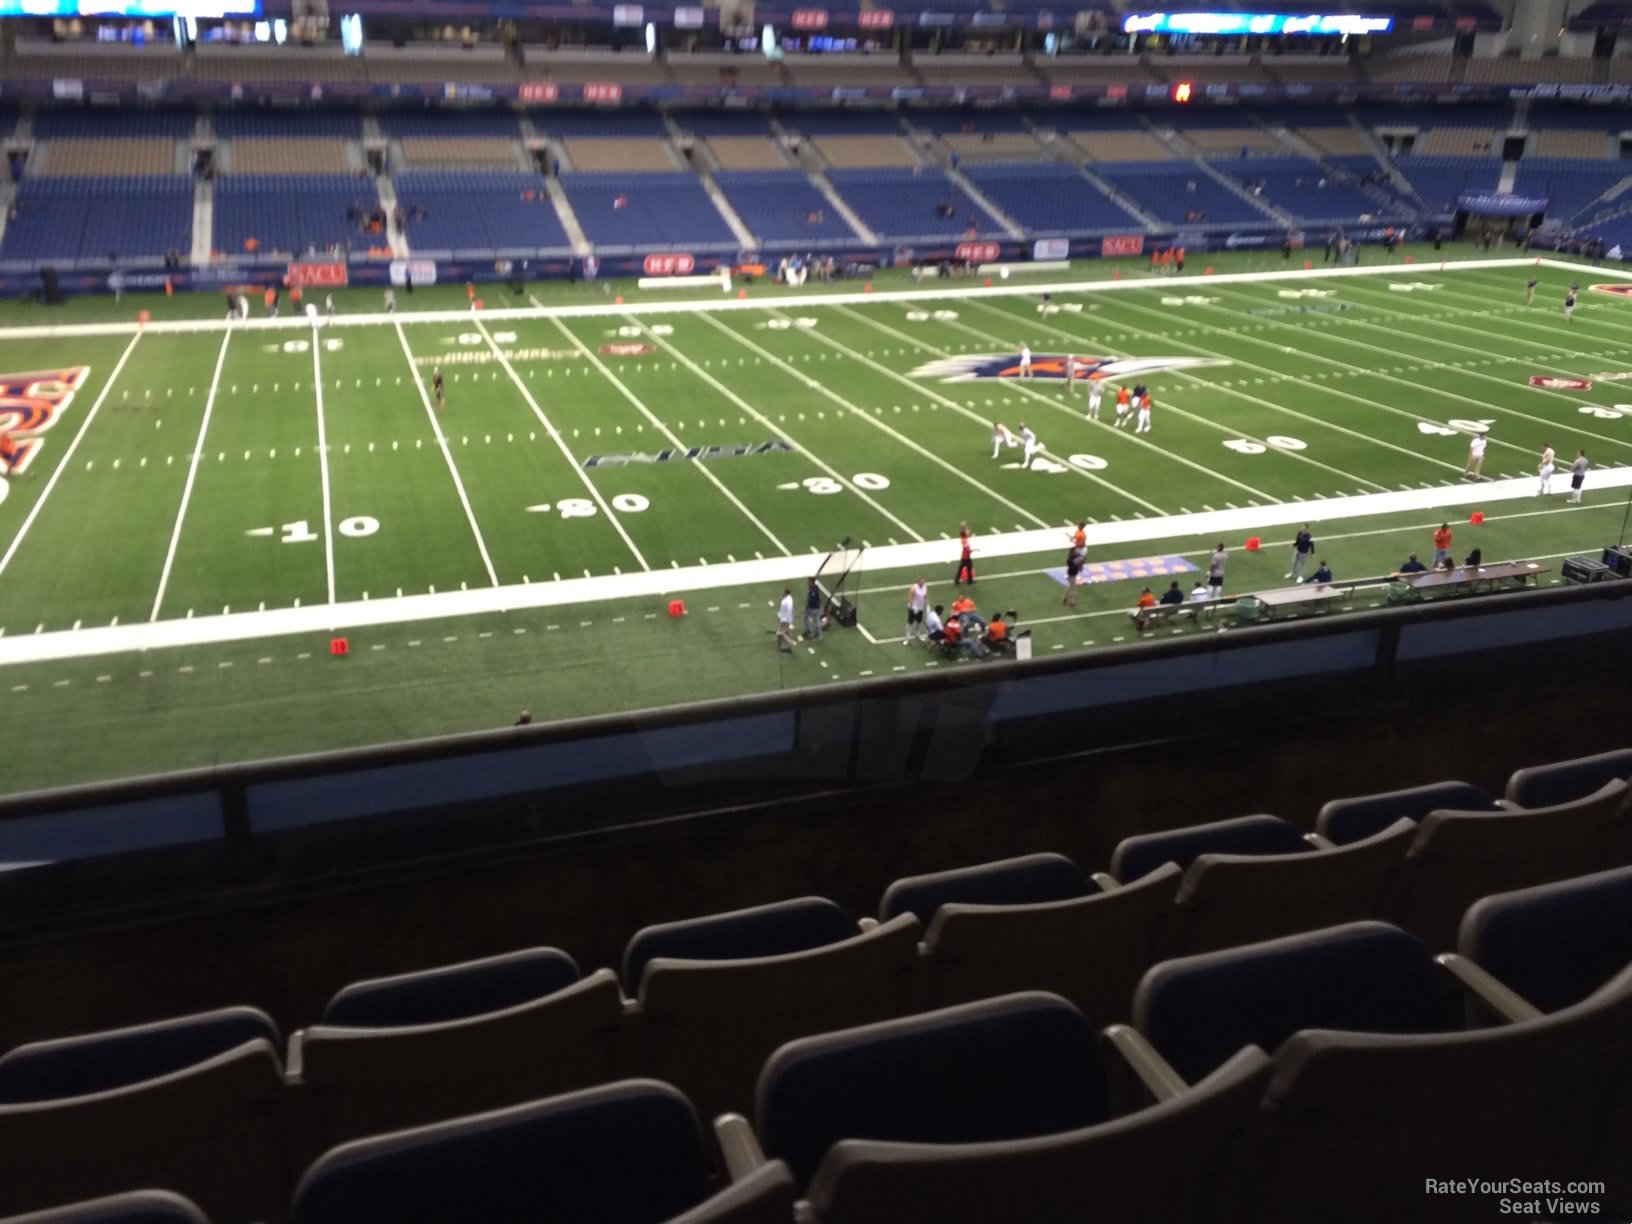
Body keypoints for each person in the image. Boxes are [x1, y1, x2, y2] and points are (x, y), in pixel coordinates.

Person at [904, 577, 927, 644]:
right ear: (918, 582)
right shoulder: (914, 588)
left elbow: (925, 596)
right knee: (910, 622)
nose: (923, 583)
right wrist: (912, 607)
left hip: (920, 607)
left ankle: (918, 635)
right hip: (914, 607)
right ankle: (907, 638)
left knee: (919, 621)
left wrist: (926, 604)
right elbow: (910, 597)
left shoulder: (924, 587)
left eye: (923, 582)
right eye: (922, 582)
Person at [776, 588, 796, 652]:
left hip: (785, 620)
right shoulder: (787, 599)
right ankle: (787, 647)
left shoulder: (788, 601)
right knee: (785, 632)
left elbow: (788, 610)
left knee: (780, 633)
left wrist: (783, 618)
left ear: (785, 593)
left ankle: (790, 643)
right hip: (785, 618)